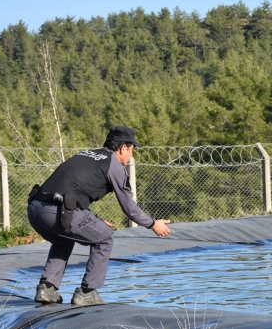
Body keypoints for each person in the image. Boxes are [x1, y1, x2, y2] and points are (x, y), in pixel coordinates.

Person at [27, 125, 171, 306]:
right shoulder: (114, 165)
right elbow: (130, 208)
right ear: (123, 147)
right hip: (58, 212)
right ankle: (87, 292)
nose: (131, 156)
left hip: (35, 209)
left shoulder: (86, 154)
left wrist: (89, 218)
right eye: (131, 150)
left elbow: (72, 189)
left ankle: (46, 288)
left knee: (63, 239)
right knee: (104, 238)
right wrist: (152, 224)